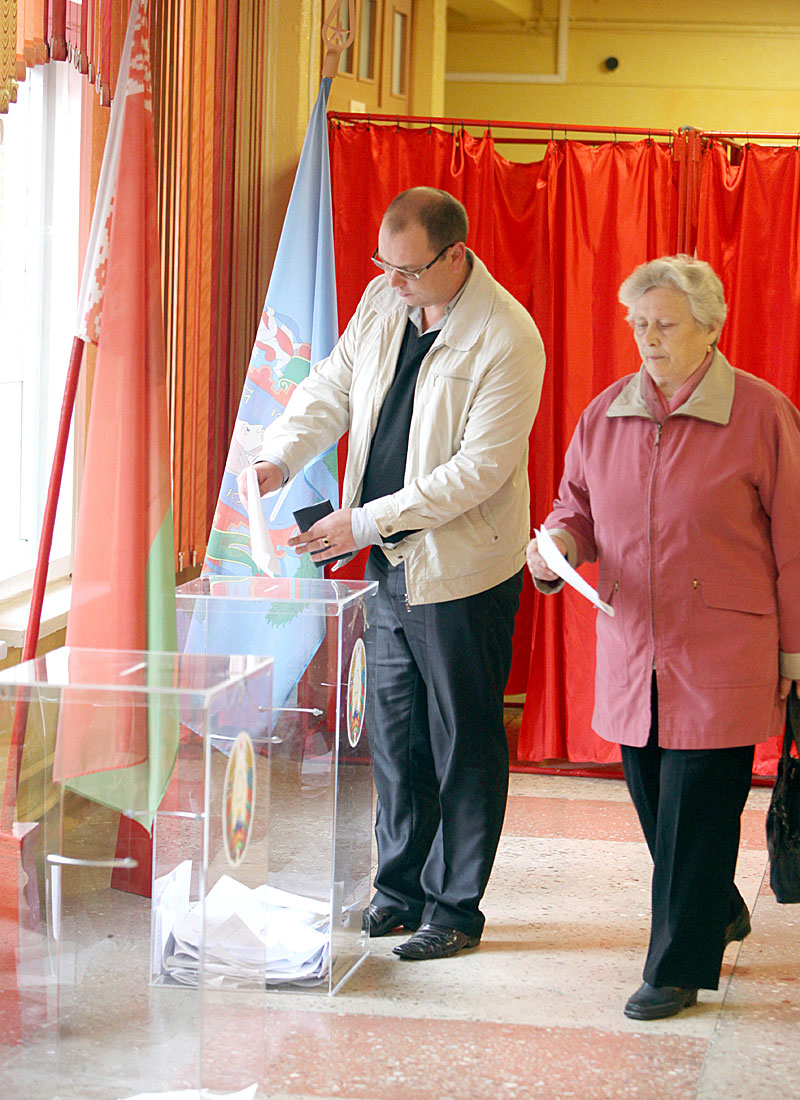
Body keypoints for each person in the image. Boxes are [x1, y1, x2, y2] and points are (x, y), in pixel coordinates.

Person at [239, 187, 545, 960]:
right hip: (388, 563)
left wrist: (364, 521)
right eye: (385, 263)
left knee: (463, 740)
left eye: (407, 269)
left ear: (457, 256)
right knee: (395, 734)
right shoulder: (383, 302)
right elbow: (332, 388)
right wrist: (281, 454)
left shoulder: (507, 337)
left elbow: (477, 471)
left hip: (462, 571)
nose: (392, 280)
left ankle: (455, 908)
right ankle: (398, 890)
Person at [528, 255, 800, 1019]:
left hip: (725, 648)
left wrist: (796, 655)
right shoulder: (605, 412)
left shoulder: (761, 413)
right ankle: (714, 906)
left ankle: (675, 967)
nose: (647, 337)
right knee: (656, 802)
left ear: (711, 329)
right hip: (635, 648)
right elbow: (572, 509)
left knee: (699, 808)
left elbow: (796, 542)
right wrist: (554, 549)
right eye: (639, 323)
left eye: (665, 324)